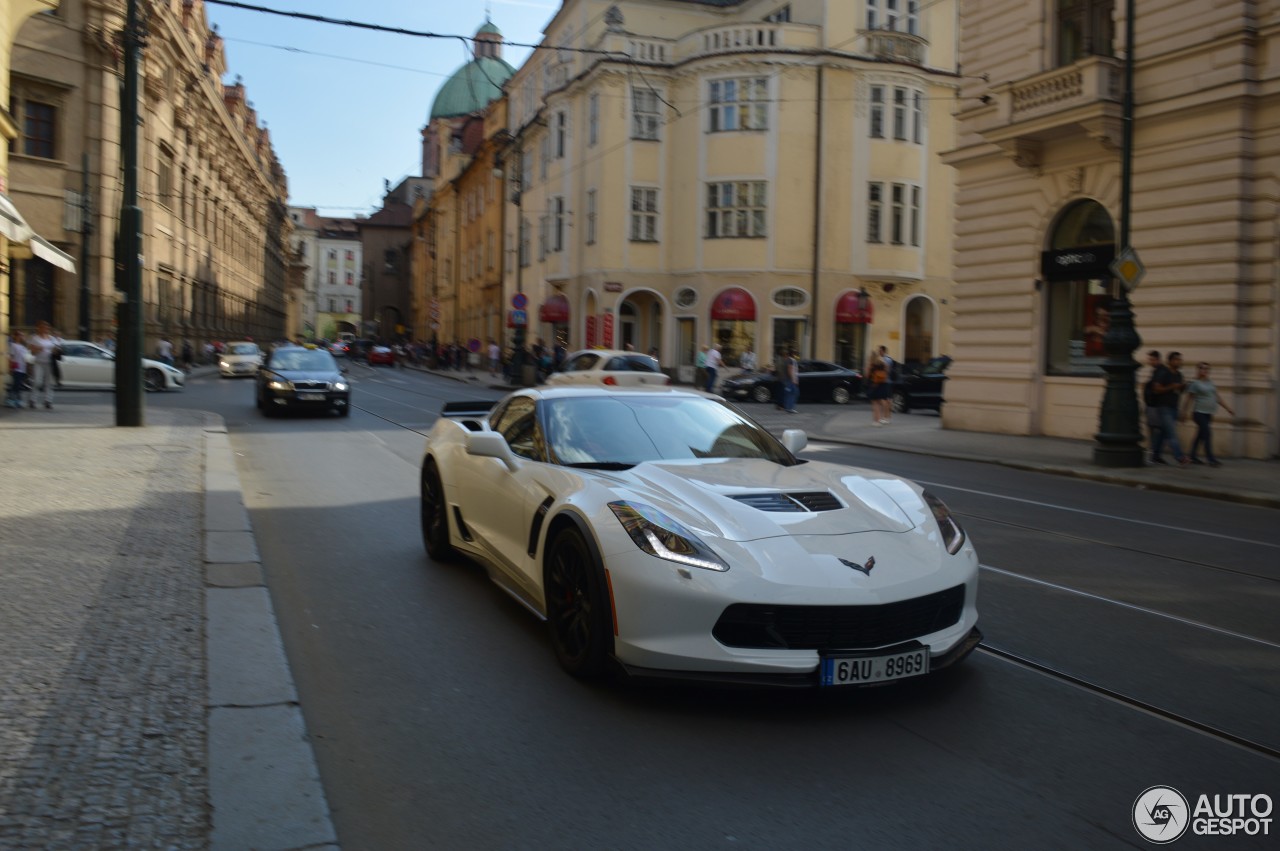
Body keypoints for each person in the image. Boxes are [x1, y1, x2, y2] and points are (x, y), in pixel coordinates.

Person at [1182, 362, 1234, 467]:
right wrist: (1183, 412)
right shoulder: (1195, 383)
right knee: (1207, 434)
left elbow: (1217, 397)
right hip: (1199, 413)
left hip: (1208, 413)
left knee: (1200, 435)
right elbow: (1189, 398)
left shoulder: (1210, 382)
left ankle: (1192, 456)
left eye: (1207, 369)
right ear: (1198, 370)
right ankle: (1211, 459)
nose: (1205, 371)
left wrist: (1228, 408)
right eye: (1203, 369)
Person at [1149, 350, 1189, 465]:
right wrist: (1171, 387)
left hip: (1173, 406)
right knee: (1172, 433)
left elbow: (1179, 391)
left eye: (1180, 360)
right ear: (1170, 361)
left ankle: (1155, 456)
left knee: (1163, 433)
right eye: (1177, 359)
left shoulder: (1179, 375)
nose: (1179, 362)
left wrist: (1183, 387)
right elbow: (1156, 389)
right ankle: (1180, 457)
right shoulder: (1163, 372)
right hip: (1164, 407)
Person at [26, 320, 61, 409]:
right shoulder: (34, 338)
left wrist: (55, 351)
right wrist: (37, 349)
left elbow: (57, 349)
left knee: (49, 383)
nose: (45, 329)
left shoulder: (52, 338)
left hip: (50, 363)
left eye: (47, 327)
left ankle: (48, 401)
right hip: (39, 362)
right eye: (43, 327)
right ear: (38, 328)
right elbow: (32, 352)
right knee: (37, 382)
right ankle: (32, 400)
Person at [6, 331, 30, 409]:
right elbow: (11, 357)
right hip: (16, 367)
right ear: (15, 336)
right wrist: (10, 367)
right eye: (20, 335)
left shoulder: (23, 347)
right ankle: (11, 400)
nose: (21, 337)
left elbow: (26, 357)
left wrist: (27, 367)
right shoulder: (13, 345)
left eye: (22, 336)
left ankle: (18, 400)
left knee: (19, 385)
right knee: (15, 384)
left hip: (23, 368)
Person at [866, 353, 892, 425]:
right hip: (883, 384)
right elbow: (887, 372)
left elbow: (867, 375)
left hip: (874, 385)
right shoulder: (883, 364)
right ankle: (884, 418)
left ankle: (876, 421)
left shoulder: (871, 366)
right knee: (882, 402)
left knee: (875, 404)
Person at [780, 349, 800, 413]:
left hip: (788, 380)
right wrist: (793, 379)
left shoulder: (788, 360)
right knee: (792, 394)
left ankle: (788, 407)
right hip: (790, 380)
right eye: (796, 354)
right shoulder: (791, 360)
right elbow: (790, 370)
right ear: (793, 354)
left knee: (790, 393)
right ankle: (790, 408)